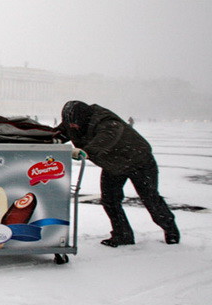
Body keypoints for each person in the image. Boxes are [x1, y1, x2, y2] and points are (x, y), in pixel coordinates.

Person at [58, 100, 179, 247]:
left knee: (150, 199)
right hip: (114, 165)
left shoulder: (104, 120)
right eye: (70, 124)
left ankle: (170, 230)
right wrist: (41, 139)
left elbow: (107, 136)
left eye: (74, 124)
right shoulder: (72, 122)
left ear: (83, 117)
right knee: (110, 200)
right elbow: (58, 134)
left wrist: (88, 151)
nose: (72, 127)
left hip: (140, 161)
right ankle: (123, 235)